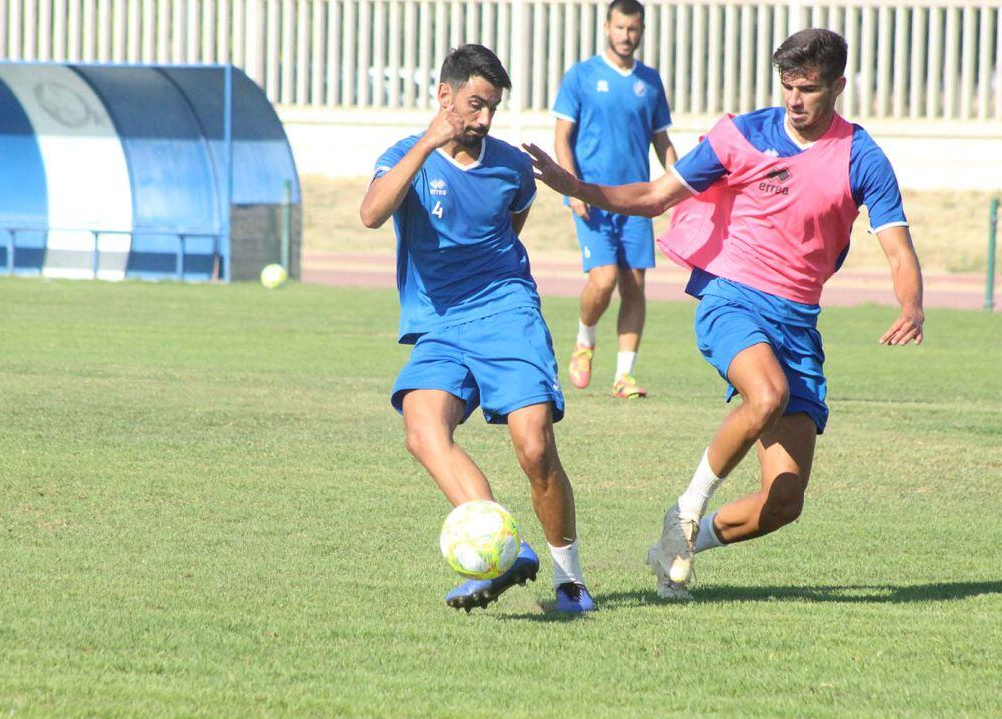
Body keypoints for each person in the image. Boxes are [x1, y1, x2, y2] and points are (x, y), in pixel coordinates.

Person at [524, 28, 924, 599]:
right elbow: (657, 195)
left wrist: (911, 304)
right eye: (787, 86)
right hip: (732, 298)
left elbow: (897, 247)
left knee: (784, 502)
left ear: (837, 86)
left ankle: (678, 544)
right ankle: (687, 509)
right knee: (766, 396)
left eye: (808, 88)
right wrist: (576, 187)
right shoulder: (741, 135)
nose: (795, 99)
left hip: (798, 323)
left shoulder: (862, 156)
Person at [359, 44, 596, 613]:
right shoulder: (404, 157)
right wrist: (427, 145)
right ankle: (504, 554)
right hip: (439, 325)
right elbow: (370, 214)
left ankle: (570, 581)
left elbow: (510, 226)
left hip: (506, 310)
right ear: (444, 97)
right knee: (423, 429)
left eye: (492, 107)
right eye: (474, 104)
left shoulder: (512, 166)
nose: (484, 119)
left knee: (535, 447)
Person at [551, 0, 678, 399]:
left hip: (638, 200)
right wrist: (572, 188)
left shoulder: (650, 82)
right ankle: (585, 341)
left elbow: (662, 142)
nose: (627, 36)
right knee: (603, 280)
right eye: (620, 28)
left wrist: (680, 184)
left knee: (634, 284)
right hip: (593, 197)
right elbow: (561, 138)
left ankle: (624, 376)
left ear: (641, 31)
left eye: (634, 29)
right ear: (607, 27)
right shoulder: (581, 76)